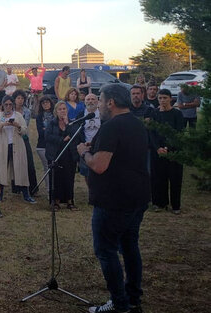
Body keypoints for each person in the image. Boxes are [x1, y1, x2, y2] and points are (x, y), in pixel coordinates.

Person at [77, 84, 150, 313]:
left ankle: (120, 304)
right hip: (136, 197)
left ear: (111, 103)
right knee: (129, 247)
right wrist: (96, 146)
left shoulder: (111, 126)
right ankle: (133, 298)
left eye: (100, 100)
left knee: (106, 250)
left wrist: (84, 153)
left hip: (114, 201)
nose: (98, 104)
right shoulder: (137, 124)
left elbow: (98, 166)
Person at [0, 95, 35, 203]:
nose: (8, 106)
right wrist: (2, 125)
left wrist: (17, 126)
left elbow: (25, 130)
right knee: (1, 169)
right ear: (3, 105)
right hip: (3, 146)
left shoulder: (18, 115)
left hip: (17, 145)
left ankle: (26, 194)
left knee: (21, 169)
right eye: (6, 104)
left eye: (10, 104)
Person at [150, 89, 185, 215]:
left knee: (175, 179)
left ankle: (175, 205)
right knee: (158, 178)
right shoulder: (154, 113)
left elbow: (179, 132)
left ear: (170, 98)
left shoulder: (177, 114)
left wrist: (168, 148)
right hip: (157, 152)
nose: (162, 100)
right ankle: (159, 203)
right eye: (160, 98)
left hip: (174, 152)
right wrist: (157, 148)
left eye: (165, 98)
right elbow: (151, 133)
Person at [45, 101, 80, 211]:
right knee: (56, 178)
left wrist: (66, 124)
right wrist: (61, 140)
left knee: (69, 177)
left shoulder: (72, 123)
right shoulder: (51, 123)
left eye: (64, 109)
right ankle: (55, 201)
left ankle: (70, 200)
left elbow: (75, 135)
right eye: (60, 109)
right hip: (55, 154)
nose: (62, 111)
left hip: (69, 155)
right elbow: (47, 137)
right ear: (56, 111)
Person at [77, 93, 101, 185]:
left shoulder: (102, 114)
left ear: (97, 101)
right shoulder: (81, 115)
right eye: (88, 99)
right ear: (84, 102)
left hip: (99, 147)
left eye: (93, 99)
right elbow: (78, 132)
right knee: (86, 172)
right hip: (86, 147)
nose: (90, 101)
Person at [35, 95, 55, 191]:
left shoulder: (55, 115)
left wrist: (47, 129)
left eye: (47, 102)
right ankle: (48, 189)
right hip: (42, 145)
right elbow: (41, 132)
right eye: (43, 103)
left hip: (55, 145)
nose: (46, 104)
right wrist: (50, 131)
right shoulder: (39, 117)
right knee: (47, 167)